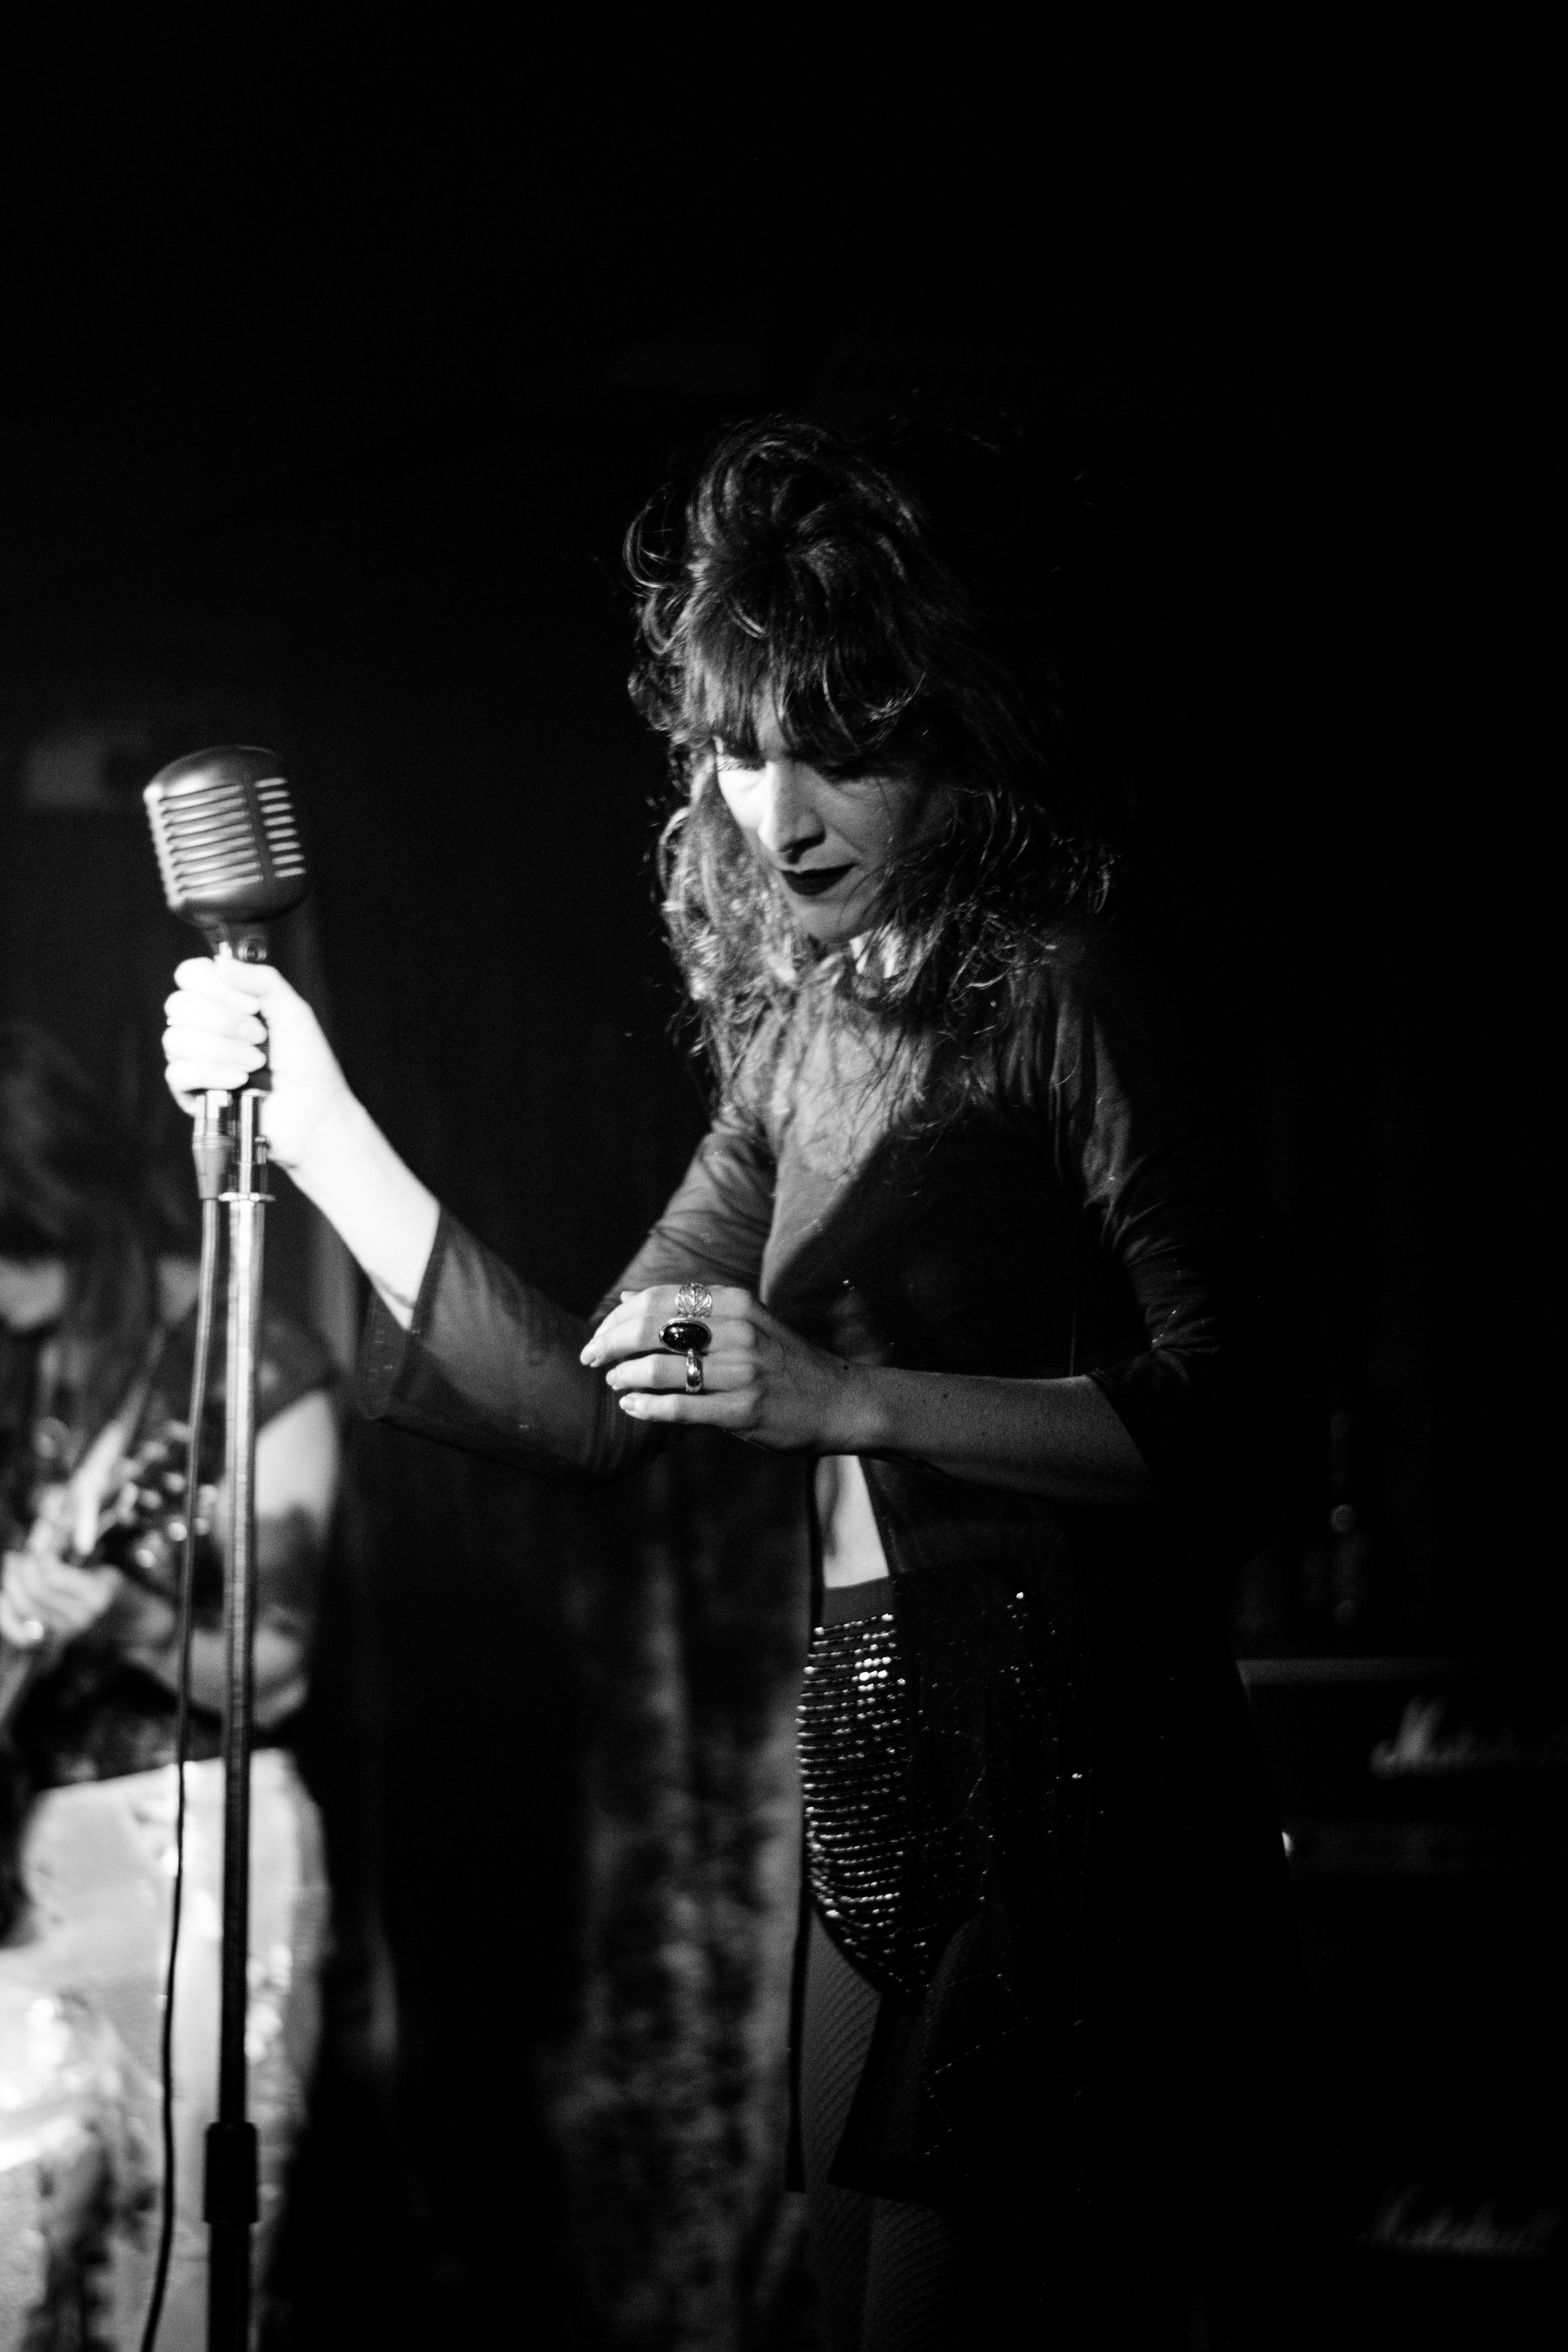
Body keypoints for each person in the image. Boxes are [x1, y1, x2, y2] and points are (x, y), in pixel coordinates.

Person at [160, 419, 1324, 2347]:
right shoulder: (800, 1040)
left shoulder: (1062, 987)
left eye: (837, 746)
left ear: (950, 731)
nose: (778, 812)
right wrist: (320, 1117)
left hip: (1072, 1759)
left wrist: (848, 1402)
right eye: (734, 748)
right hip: (877, 1746)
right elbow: (583, 1411)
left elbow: (1247, 1419)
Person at [0, 1022, 338, 2351]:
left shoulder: (242, 1364)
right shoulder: (21, 1369)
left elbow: (282, 1669)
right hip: (25, 1861)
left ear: (60, 1208)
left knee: (191, 2267)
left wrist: (135, 1618)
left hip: (188, 1850)